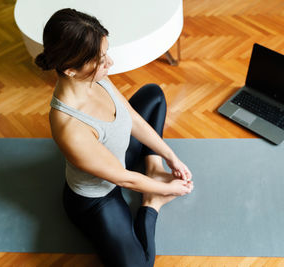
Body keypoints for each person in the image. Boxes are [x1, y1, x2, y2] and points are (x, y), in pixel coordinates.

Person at [34, 8, 194, 267]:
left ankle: (152, 166)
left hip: (118, 157)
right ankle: (152, 204)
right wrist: (166, 190)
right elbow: (124, 179)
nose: (109, 63)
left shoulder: (94, 80)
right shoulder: (68, 126)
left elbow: (131, 117)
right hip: (98, 198)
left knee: (153, 95)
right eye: (99, 59)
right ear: (70, 70)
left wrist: (169, 157)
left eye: (105, 53)